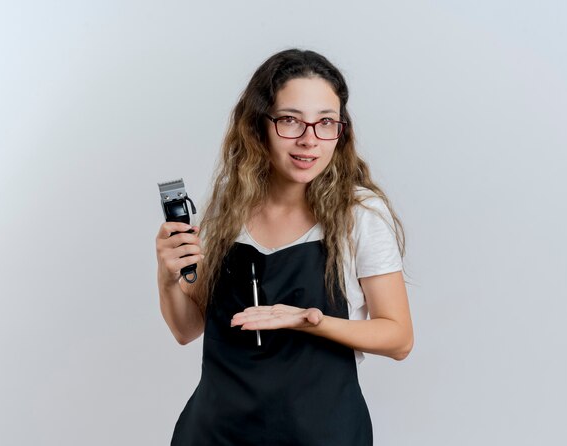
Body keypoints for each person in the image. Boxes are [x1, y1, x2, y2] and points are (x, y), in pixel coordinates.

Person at [155, 49, 413, 446]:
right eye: (291, 120)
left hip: (321, 434)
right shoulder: (226, 209)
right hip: (214, 433)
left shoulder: (358, 213)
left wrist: (312, 321)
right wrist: (169, 276)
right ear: (259, 125)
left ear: (341, 130)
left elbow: (398, 339)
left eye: (326, 122)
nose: (309, 141)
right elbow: (187, 329)